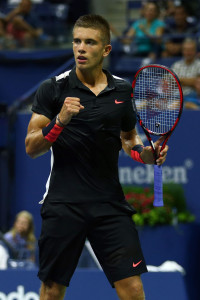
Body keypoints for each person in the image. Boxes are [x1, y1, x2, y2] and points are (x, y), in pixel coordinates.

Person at [25, 14, 168, 300]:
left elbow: (129, 140)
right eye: (77, 41)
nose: (80, 48)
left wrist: (148, 156)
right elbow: (31, 147)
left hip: (109, 205)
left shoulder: (122, 90)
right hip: (64, 204)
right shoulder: (53, 89)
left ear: (106, 50)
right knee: (52, 291)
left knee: (133, 288)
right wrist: (60, 121)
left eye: (89, 42)